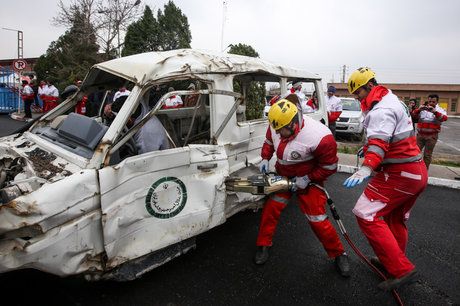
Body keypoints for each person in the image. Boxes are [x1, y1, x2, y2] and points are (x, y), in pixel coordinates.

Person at [344, 67, 427, 291]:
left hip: (400, 174)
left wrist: (366, 168)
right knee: (394, 219)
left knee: (365, 213)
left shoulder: (381, 109)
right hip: (415, 172)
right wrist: (368, 147)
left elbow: (380, 143)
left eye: (358, 92)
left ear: (370, 86)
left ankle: (402, 270)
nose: (356, 97)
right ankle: (392, 261)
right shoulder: (393, 99)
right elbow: (388, 137)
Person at [255, 99, 350, 277]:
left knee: (317, 220)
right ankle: (263, 244)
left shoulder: (320, 136)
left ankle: (339, 254)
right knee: (271, 209)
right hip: (284, 177)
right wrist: (265, 158)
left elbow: (329, 167)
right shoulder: (277, 123)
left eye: (281, 130)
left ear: (293, 122)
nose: (278, 133)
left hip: (309, 181)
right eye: (275, 129)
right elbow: (269, 141)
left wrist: (307, 178)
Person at [411, 94, 448, 169]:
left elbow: (444, 118)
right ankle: (415, 169)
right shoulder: (423, 109)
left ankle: (424, 170)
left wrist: (435, 112)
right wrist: (419, 110)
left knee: (427, 155)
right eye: (430, 101)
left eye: (433, 102)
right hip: (420, 135)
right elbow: (413, 115)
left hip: (432, 136)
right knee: (415, 152)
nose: (431, 103)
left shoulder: (440, 110)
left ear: (437, 102)